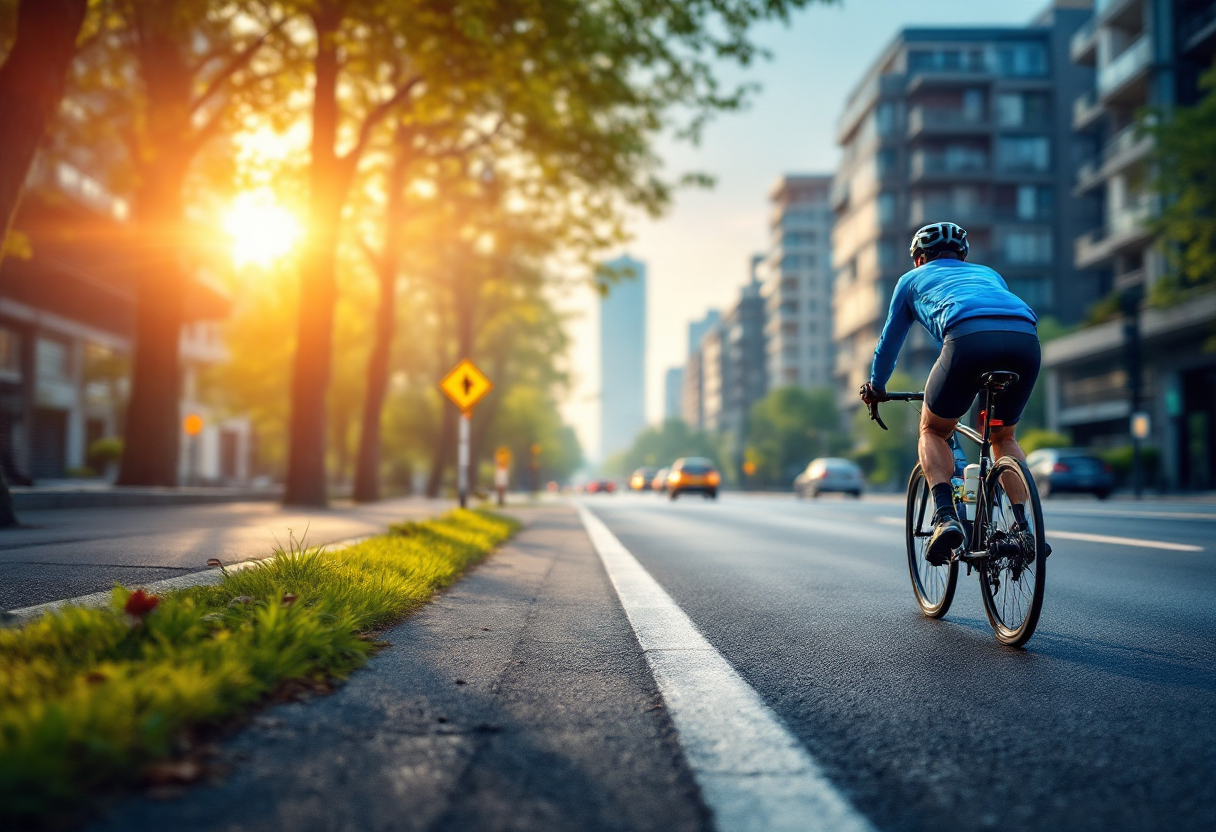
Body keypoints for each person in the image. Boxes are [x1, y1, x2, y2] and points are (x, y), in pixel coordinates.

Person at [859, 222, 1042, 565]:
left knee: (933, 430)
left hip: (968, 340)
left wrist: (876, 387)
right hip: (1026, 341)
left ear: (919, 259)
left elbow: (889, 344)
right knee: (1003, 436)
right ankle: (1024, 529)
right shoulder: (989, 273)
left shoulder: (911, 280)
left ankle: (945, 517)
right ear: (963, 256)